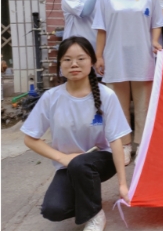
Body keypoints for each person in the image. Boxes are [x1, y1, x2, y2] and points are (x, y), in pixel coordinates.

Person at [21, 36, 131, 230]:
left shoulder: (107, 95)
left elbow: (116, 140)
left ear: (92, 62)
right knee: (53, 210)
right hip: (69, 164)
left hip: (102, 159)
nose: (74, 64)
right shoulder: (51, 97)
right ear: (60, 64)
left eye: (81, 58)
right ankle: (88, 196)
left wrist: (122, 184)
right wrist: (62, 158)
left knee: (81, 163)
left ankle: (95, 215)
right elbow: (30, 139)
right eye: (67, 59)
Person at [93, 0, 163, 165]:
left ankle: (142, 143)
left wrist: (154, 41)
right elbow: (101, 29)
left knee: (143, 104)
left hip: (142, 54)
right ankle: (124, 145)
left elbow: (157, 23)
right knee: (118, 103)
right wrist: (98, 55)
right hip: (115, 55)